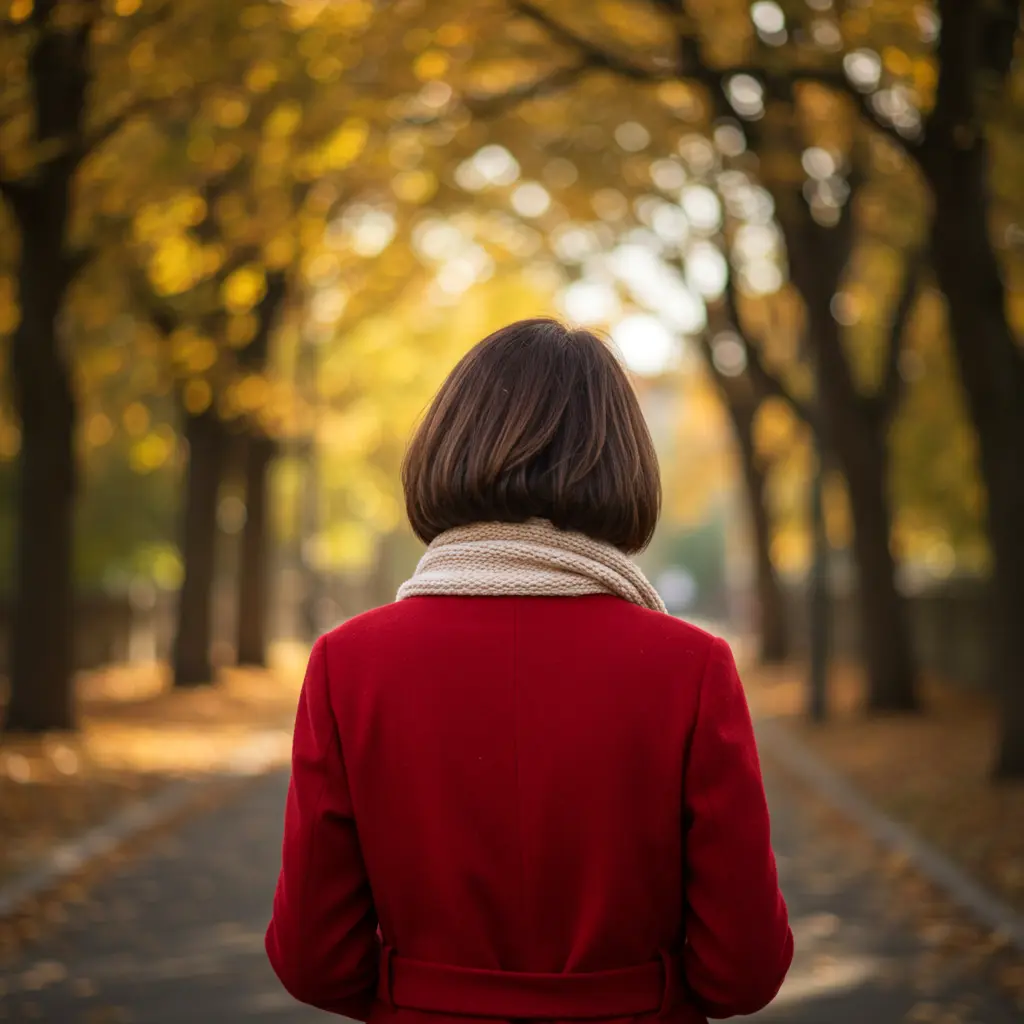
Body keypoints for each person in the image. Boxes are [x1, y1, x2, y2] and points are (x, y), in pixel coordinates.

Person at [266, 318, 793, 1023]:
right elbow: (745, 971)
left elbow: (313, 961)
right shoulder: (691, 669)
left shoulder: (348, 664)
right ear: (622, 462)